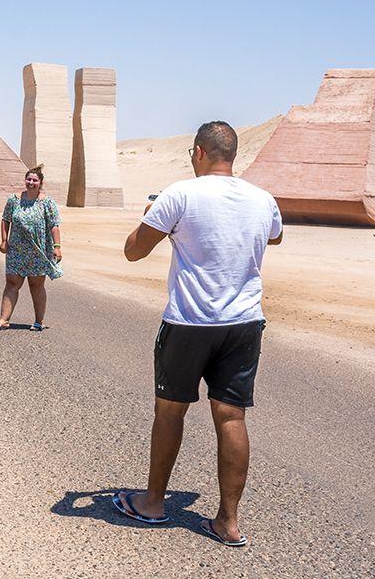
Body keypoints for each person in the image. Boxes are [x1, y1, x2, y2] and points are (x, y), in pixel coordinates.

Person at [111, 121, 283, 548]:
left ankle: (152, 503)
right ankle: (228, 522)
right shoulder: (263, 199)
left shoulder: (180, 194)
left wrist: (157, 218)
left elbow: (134, 251)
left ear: (198, 152)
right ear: (233, 155)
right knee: (231, 417)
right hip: (243, 323)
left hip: (190, 322)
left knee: (170, 412)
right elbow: (274, 237)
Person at [0, 167, 62, 332]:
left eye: (35, 180)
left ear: (40, 183)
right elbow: (5, 219)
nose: (31, 183)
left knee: (36, 284)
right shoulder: (14, 200)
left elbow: (54, 225)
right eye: (29, 179)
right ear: (25, 180)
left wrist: (57, 247)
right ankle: (3, 320)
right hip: (16, 249)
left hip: (38, 249)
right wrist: (4, 240)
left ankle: (38, 321)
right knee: (12, 283)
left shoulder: (47, 202)